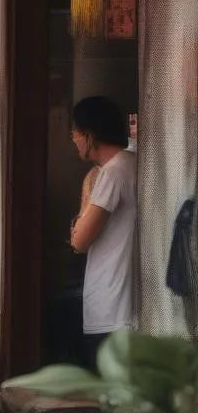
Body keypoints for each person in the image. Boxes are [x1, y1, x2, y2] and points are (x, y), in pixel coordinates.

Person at [69, 96, 137, 367]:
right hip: (130, 305)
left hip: (110, 304)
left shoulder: (111, 173)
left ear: (89, 135)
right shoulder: (135, 163)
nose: (73, 139)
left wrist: (77, 223)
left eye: (74, 132)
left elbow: (80, 241)